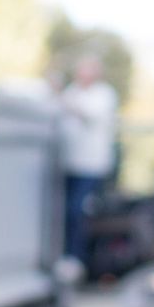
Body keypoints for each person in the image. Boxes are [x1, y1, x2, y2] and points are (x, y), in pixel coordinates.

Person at [57, 55, 118, 271]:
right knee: (62, 211)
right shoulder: (72, 92)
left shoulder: (104, 94)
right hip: (68, 163)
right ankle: (63, 254)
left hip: (91, 166)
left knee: (77, 210)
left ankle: (76, 258)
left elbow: (89, 115)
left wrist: (66, 101)